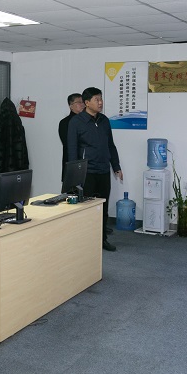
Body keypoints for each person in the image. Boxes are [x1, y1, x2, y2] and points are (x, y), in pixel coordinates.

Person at [67, 87, 123, 252]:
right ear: (87, 103)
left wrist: (116, 166)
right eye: (96, 99)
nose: (100, 102)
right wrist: (75, 175)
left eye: (101, 99)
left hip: (103, 170)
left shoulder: (104, 120)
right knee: (86, 208)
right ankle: (85, 242)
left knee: (103, 208)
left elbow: (110, 145)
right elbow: (72, 150)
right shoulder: (76, 122)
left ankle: (102, 240)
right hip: (87, 173)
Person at [58, 93, 84, 182]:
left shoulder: (87, 121)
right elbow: (68, 144)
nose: (82, 104)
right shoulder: (65, 122)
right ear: (71, 106)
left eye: (83, 102)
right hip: (71, 162)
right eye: (79, 102)